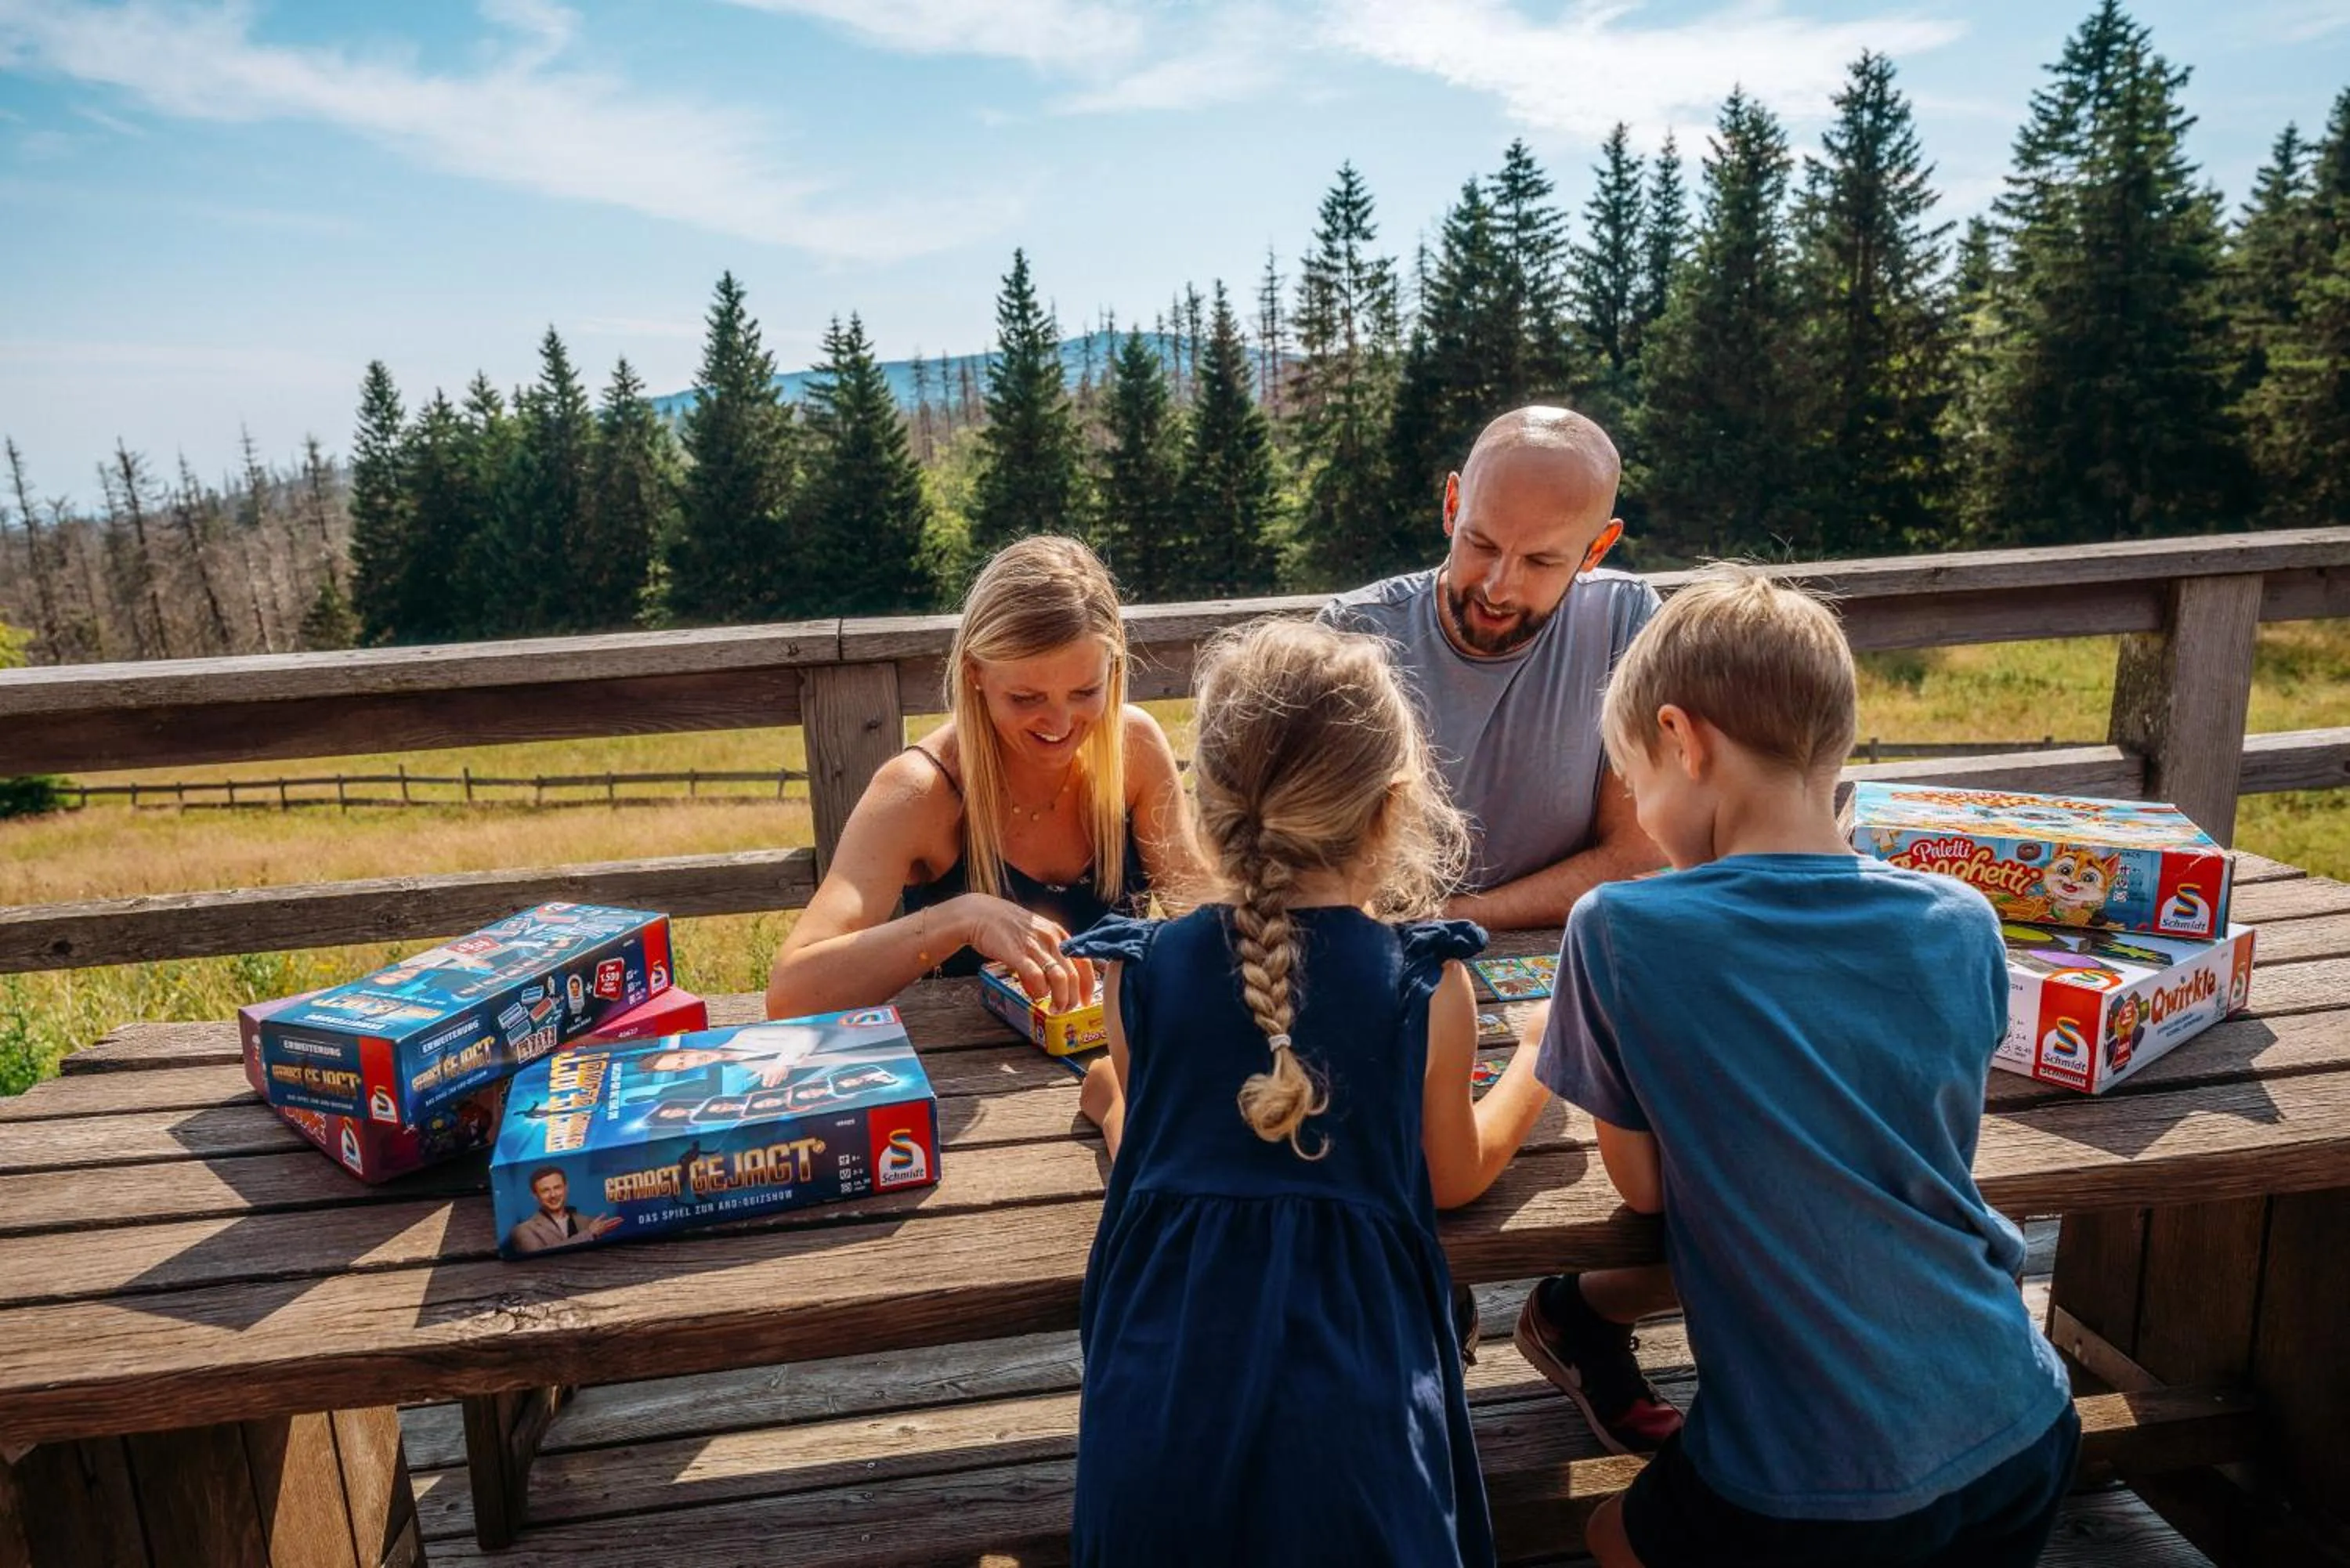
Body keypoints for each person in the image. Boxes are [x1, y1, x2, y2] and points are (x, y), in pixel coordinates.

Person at [1513, 565, 2078, 1566]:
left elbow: (1645, 1190)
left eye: (1637, 782)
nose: (1643, 816)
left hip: (1813, 1473)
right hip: (2021, 1413)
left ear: (1683, 740)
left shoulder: (1620, 927)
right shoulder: (1962, 920)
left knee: (1608, 1536)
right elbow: (1929, 1143)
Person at [1060, 619, 1551, 1567]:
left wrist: (1116, 1103)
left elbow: (1175, 1160)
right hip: (1357, 1437)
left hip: (1157, 1430)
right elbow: (1453, 1175)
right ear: (1392, 807)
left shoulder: (1141, 976)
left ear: (1208, 803)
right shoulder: (1422, 984)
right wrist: (1537, 1054)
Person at [766, 537, 1200, 1020]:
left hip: (1121, 1059)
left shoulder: (1132, 746)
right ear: (974, 672)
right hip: (963, 1059)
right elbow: (791, 994)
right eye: (1026, 698)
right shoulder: (919, 789)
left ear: (1113, 670)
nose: (1060, 725)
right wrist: (960, 919)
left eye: (1085, 692)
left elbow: (1206, 918)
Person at [1320, 407, 1662, 928]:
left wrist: (1446, 922)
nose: (1498, 588)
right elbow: (1311, 861)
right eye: (1481, 544)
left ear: (1597, 548)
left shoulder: (1625, 620)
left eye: (1540, 562)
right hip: (1382, 954)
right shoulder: (1353, 634)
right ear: (1452, 506)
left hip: (1551, 957)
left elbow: (1636, 856)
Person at [508, 1168, 622, 1254]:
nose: (553, 1195)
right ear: (535, 1195)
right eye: (545, 1191)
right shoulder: (522, 1231)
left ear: (566, 1189)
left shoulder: (588, 1222)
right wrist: (589, 1234)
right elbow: (539, 1257)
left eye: (557, 1188)